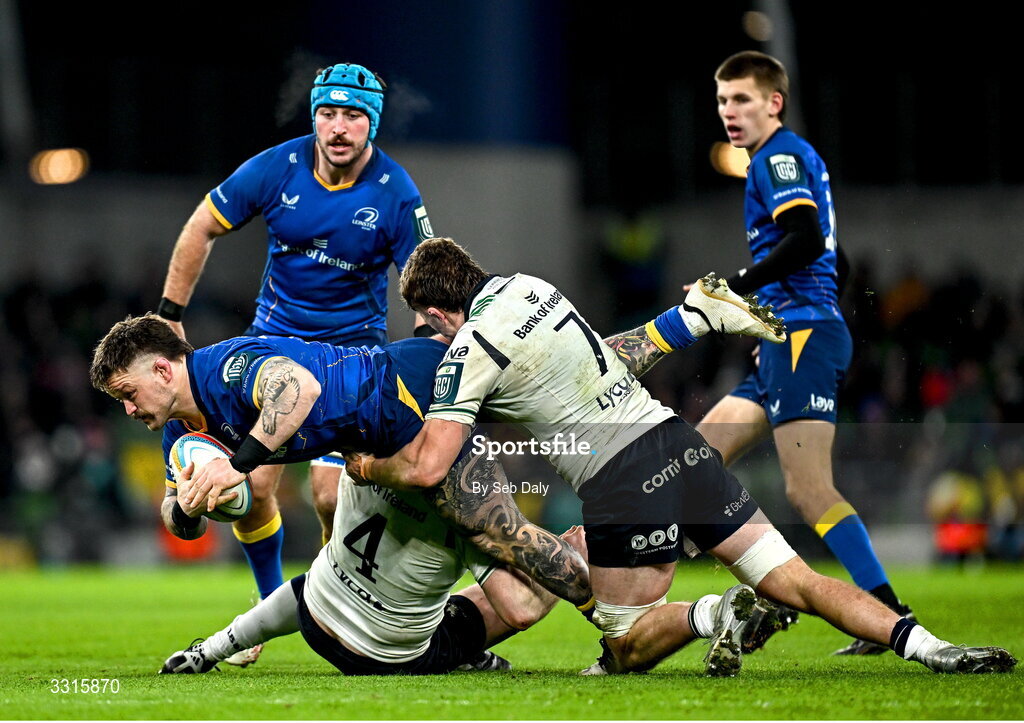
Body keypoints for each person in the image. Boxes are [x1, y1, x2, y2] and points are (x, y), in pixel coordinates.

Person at [342, 237, 1016, 677]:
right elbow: (611, 358)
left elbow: (431, 466)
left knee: (623, 646)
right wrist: (685, 322)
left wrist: (366, 466)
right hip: (679, 444)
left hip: (620, 477)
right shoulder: (531, 288)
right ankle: (930, 645)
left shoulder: (468, 350)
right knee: (800, 579)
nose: (424, 334)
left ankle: (713, 613)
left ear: (437, 308)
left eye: (424, 322)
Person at [154, 62, 436, 650]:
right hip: (272, 344)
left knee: (332, 495)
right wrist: (168, 314)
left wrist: (423, 352)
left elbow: (425, 286)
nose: (338, 127)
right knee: (255, 490)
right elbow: (200, 227)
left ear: (372, 125)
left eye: (353, 115)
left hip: (351, 359)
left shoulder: (396, 193)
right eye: (327, 113)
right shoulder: (276, 166)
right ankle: (265, 607)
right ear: (314, 116)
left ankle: (338, 603)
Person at [88, 314, 592, 615]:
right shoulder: (180, 430)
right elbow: (177, 514)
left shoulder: (224, 367)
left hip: (404, 395)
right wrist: (188, 509)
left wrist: (237, 468)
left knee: (505, 516)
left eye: (128, 395)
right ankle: (590, 571)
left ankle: (621, 620)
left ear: (161, 369)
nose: (129, 411)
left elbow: (298, 389)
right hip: (376, 447)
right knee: (511, 597)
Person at [696, 50, 912, 655]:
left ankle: (886, 612)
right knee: (695, 457)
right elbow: (833, 259)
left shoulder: (778, 156)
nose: (729, 112)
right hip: (788, 338)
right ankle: (747, 589)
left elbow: (808, 237)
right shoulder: (775, 159)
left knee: (809, 490)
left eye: (741, 99)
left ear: (774, 102)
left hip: (800, 338)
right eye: (721, 100)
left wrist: (735, 286)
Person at [158, 483, 583, 676]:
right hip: (389, 658)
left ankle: (209, 649)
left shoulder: (359, 462)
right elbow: (518, 610)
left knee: (322, 581)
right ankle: (467, 652)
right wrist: (568, 564)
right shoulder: (466, 508)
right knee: (487, 598)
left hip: (317, 625)